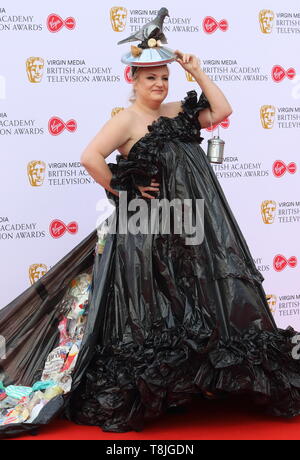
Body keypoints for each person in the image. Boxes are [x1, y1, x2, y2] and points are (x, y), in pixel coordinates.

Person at [1, 30, 300, 439]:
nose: (159, 85)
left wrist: (196, 70)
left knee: (203, 296)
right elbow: (90, 157)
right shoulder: (125, 120)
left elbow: (222, 109)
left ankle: (208, 381)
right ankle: (163, 389)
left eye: (163, 77)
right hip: (150, 230)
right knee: (157, 300)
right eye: (150, 78)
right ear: (133, 81)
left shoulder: (178, 110)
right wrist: (122, 188)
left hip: (200, 222)